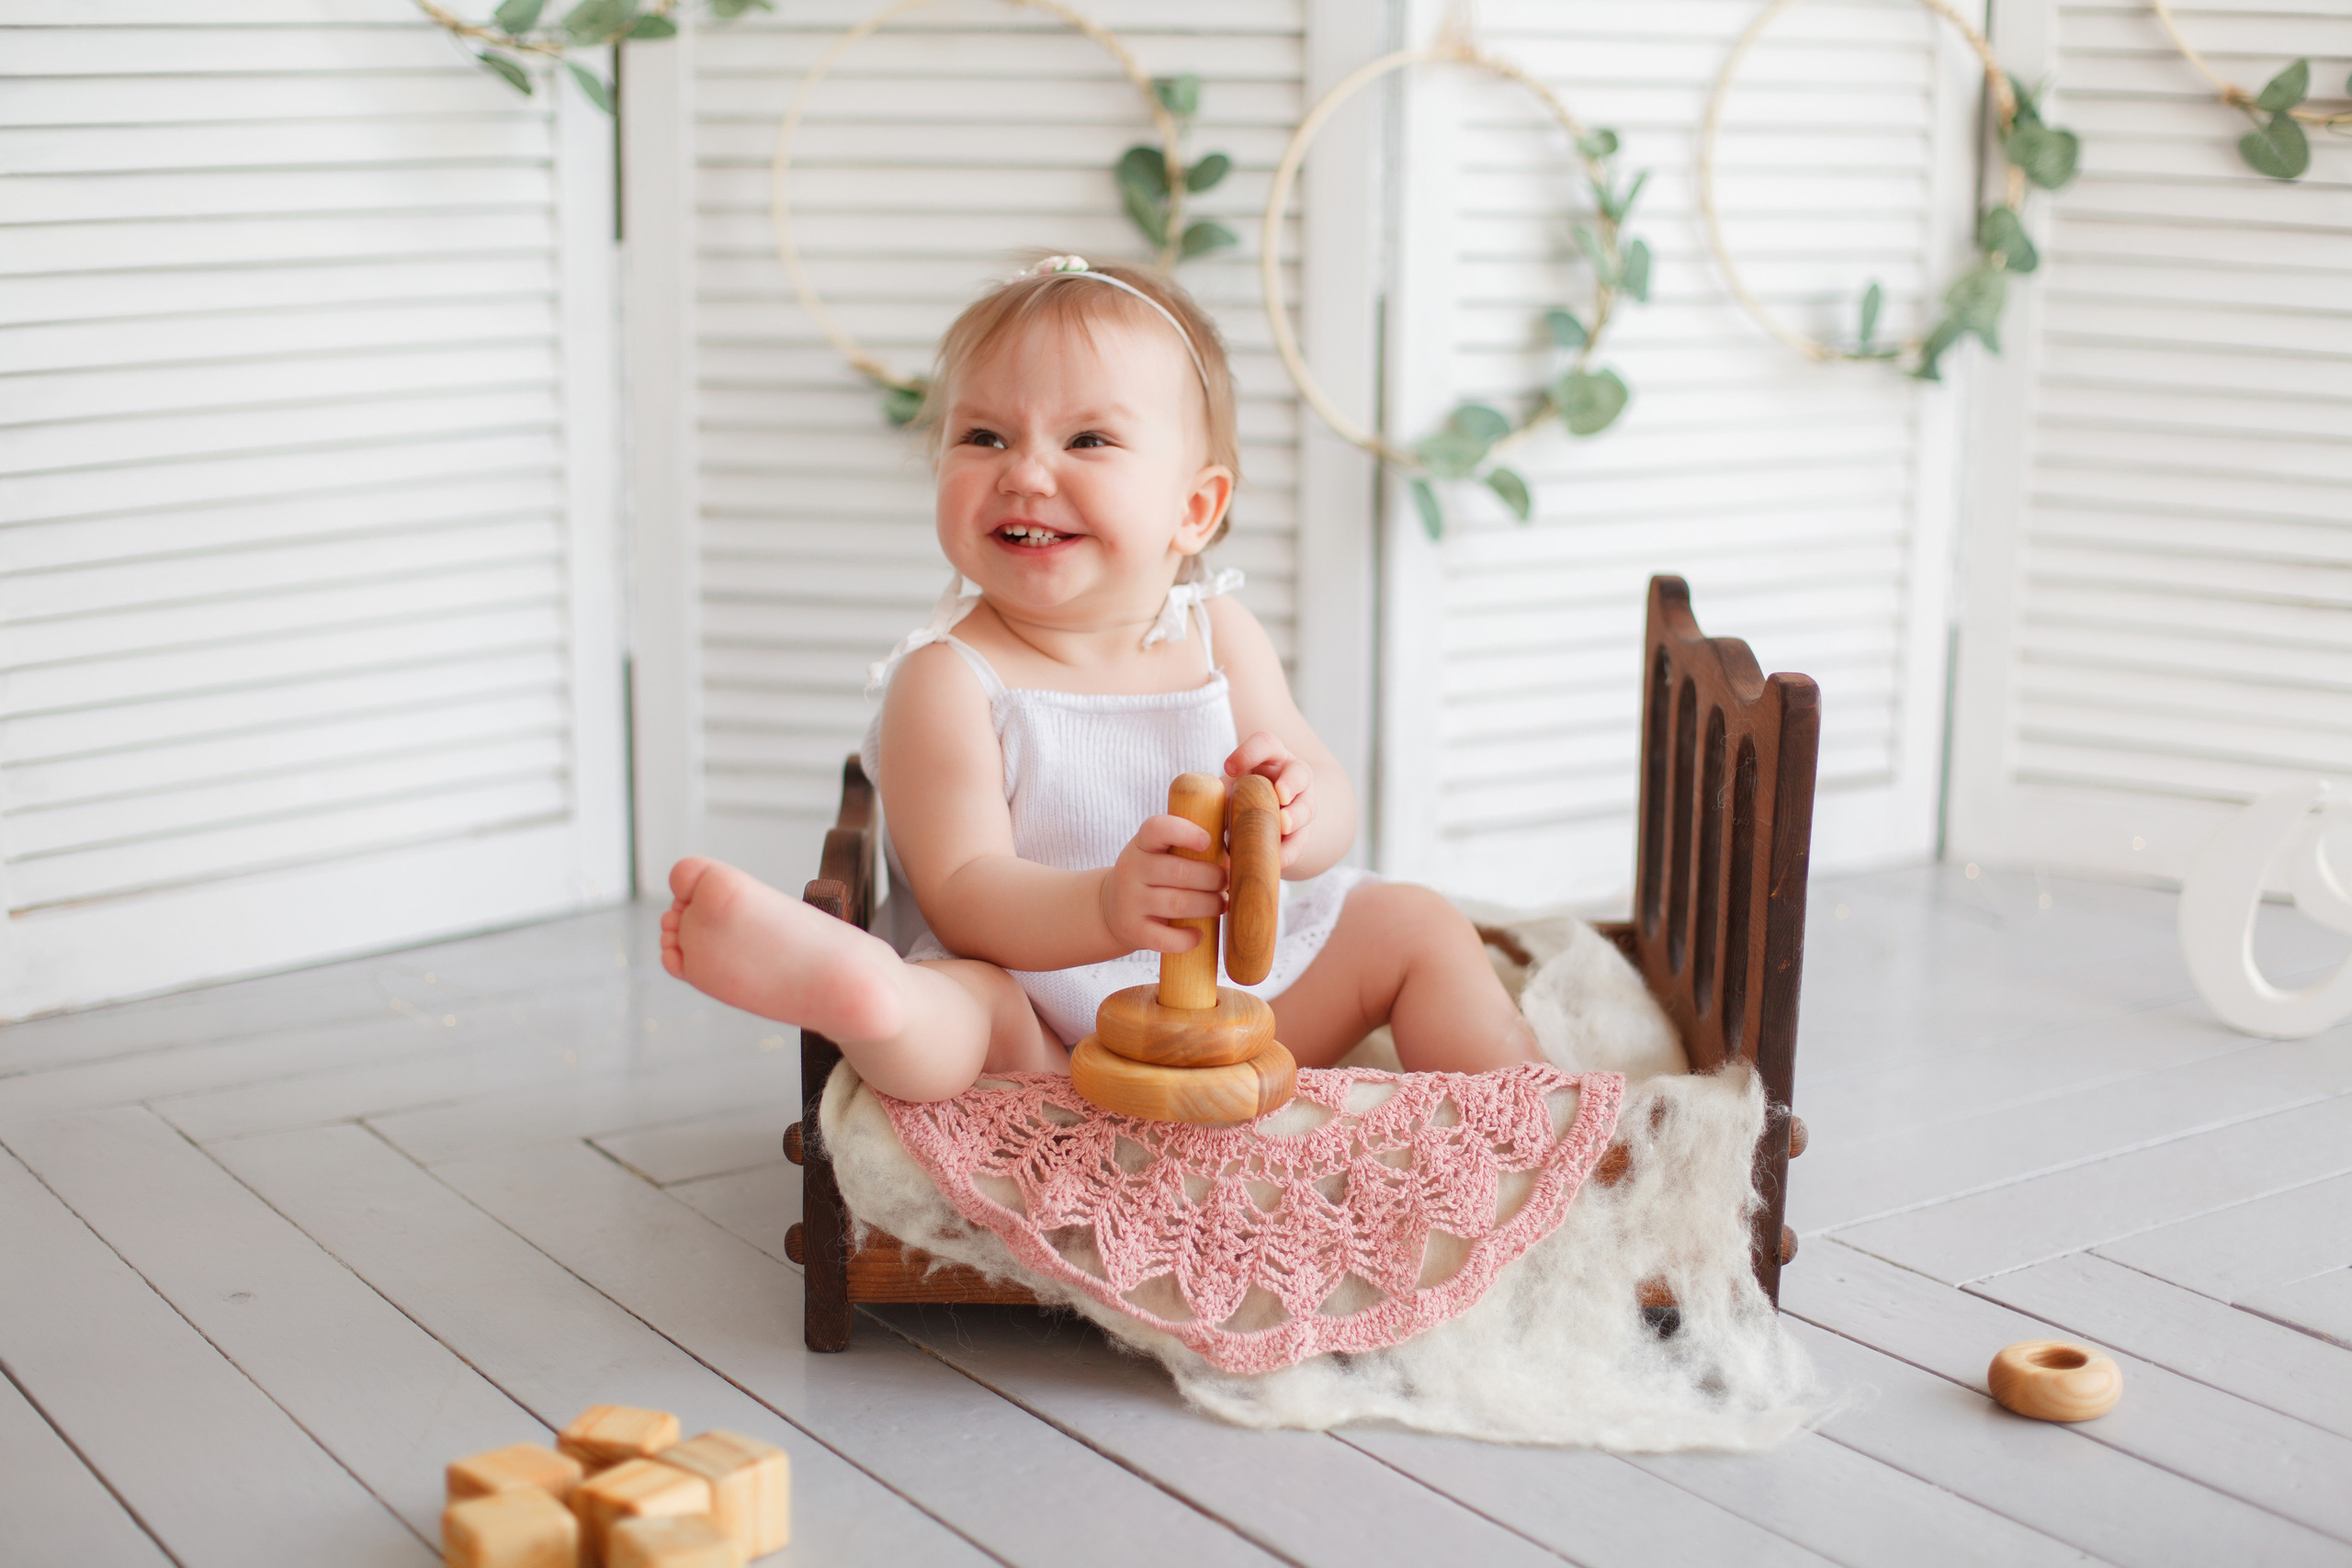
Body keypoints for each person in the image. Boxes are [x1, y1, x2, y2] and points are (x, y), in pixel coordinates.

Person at [662, 256, 1542, 1102]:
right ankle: (867, 1000)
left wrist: (1299, 810)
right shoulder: (948, 679)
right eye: (982, 436)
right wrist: (1108, 907)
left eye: (1088, 438)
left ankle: (1537, 1123)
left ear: (1193, 509)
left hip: (1239, 1005)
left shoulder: (1219, 635)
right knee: (962, 1009)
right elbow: (966, 892)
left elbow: (1329, 809)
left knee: (1417, 924)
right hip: (1048, 1030)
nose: (1025, 471)